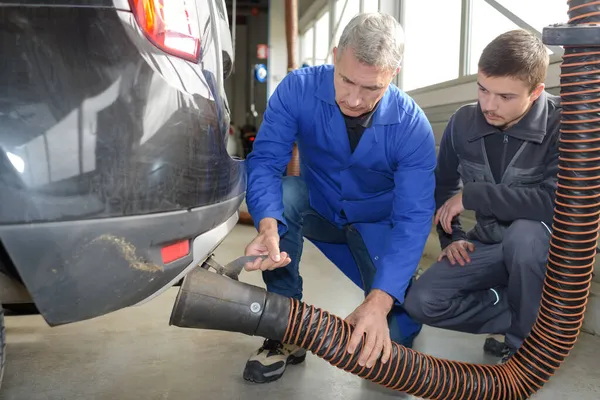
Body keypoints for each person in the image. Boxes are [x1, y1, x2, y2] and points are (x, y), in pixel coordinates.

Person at [241, 12, 437, 383]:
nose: (355, 98)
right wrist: (268, 223)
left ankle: (401, 280)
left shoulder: (413, 128)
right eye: (346, 80)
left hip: (377, 225)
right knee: (286, 195)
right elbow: (266, 162)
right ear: (334, 55)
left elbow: (414, 218)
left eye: (372, 88)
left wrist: (380, 301)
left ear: (392, 74)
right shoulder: (297, 89)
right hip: (321, 210)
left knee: (392, 341)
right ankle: (286, 327)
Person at [403, 29, 561, 364]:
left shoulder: (563, 123)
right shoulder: (463, 122)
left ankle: (524, 349)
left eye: (505, 97)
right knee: (422, 301)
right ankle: (520, 314)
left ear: (536, 92)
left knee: (525, 234)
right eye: (483, 89)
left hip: (543, 254)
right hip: (488, 246)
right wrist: (453, 238)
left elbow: (555, 203)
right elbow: (443, 187)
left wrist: (476, 195)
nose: (488, 105)